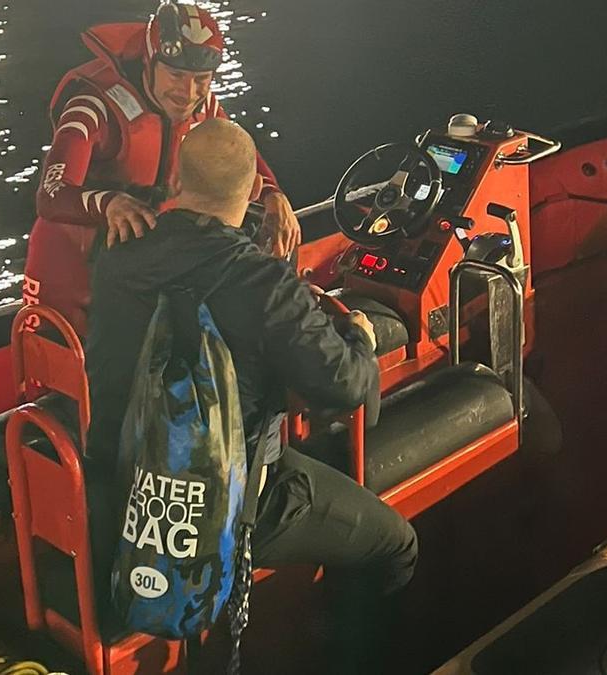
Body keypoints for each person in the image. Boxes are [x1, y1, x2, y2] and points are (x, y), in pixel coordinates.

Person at [86, 119, 417, 673]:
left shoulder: (118, 256)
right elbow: (346, 386)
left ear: (174, 177)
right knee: (396, 546)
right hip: (238, 506)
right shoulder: (262, 281)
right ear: (250, 195)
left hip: (130, 489)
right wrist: (358, 333)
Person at [22, 3, 302, 335]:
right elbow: (51, 196)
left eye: (201, 79)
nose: (188, 93)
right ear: (149, 61)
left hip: (141, 260)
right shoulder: (92, 106)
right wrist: (109, 202)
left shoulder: (204, 103)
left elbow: (237, 152)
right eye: (176, 75)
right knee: (67, 373)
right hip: (70, 261)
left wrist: (274, 195)